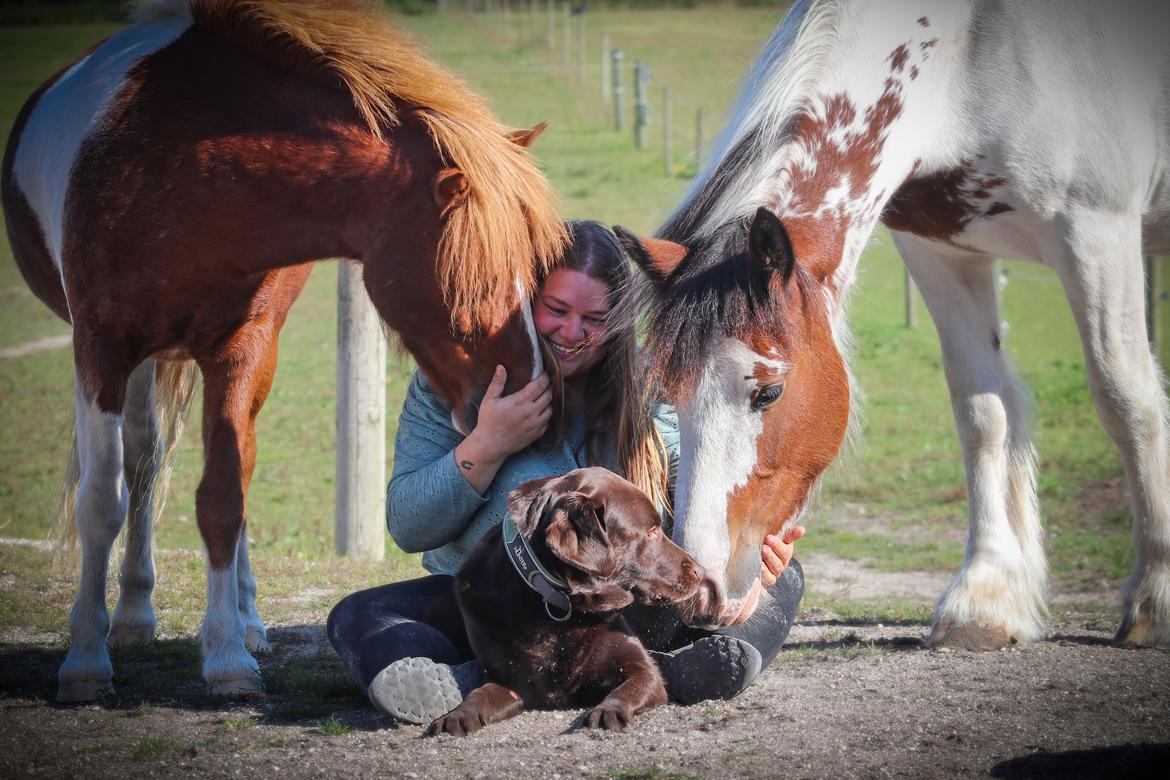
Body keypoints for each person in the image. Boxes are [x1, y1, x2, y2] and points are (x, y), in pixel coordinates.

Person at [327, 221, 806, 724]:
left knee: (785, 577)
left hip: (622, 609)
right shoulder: (451, 382)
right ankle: (478, 679)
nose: (572, 333)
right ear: (528, 301)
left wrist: (750, 559)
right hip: (492, 611)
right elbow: (408, 526)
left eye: (595, 318)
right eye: (556, 310)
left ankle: (663, 673)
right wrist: (487, 445)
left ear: (619, 322)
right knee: (359, 615)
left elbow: (696, 503)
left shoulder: (653, 389)